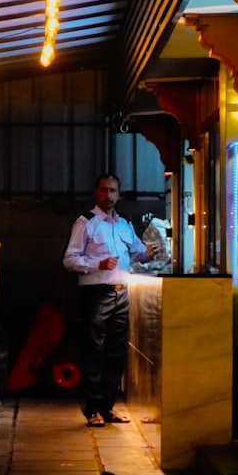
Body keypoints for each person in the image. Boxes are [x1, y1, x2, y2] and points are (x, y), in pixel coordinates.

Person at [62, 173, 159, 428]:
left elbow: (138, 253)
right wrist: (98, 264)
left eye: (113, 191)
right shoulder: (86, 223)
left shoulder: (124, 224)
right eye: (104, 190)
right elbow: (69, 260)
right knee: (94, 351)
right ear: (97, 193)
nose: (109, 195)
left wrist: (149, 253)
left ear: (119, 194)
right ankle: (92, 408)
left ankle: (107, 406)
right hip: (96, 293)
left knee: (116, 353)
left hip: (122, 292)